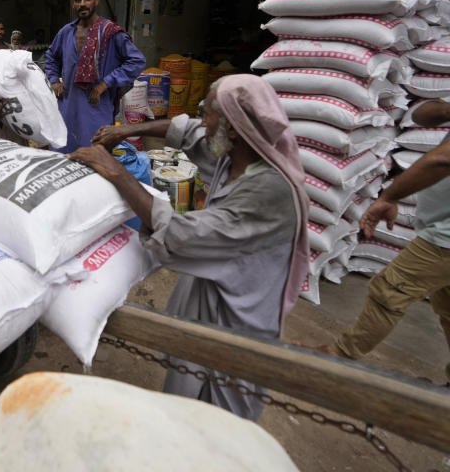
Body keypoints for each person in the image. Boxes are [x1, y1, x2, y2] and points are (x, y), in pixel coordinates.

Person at [71, 75, 309, 420]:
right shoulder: (236, 155)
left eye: (208, 113)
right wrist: (123, 131)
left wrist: (117, 173)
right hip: (208, 304)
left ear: (232, 128)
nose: (203, 121)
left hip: (237, 327)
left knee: (222, 421)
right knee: (185, 401)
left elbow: (182, 235)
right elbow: (191, 132)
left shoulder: (269, 193)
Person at [321, 99, 450, 379]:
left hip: (445, 239)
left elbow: (444, 158)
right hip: (441, 230)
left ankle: (336, 358)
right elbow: (422, 115)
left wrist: (389, 197)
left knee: (389, 291)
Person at [45, 0, 146, 153]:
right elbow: (51, 57)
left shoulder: (110, 33)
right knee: (63, 160)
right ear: (73, 3)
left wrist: (104, 84)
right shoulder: (66, 32)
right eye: (78, 0)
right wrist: (54, 81)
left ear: (96, 0)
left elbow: (136, 61)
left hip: (96, 109)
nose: (82, 4)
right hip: (67, 108)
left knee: (96, 160)